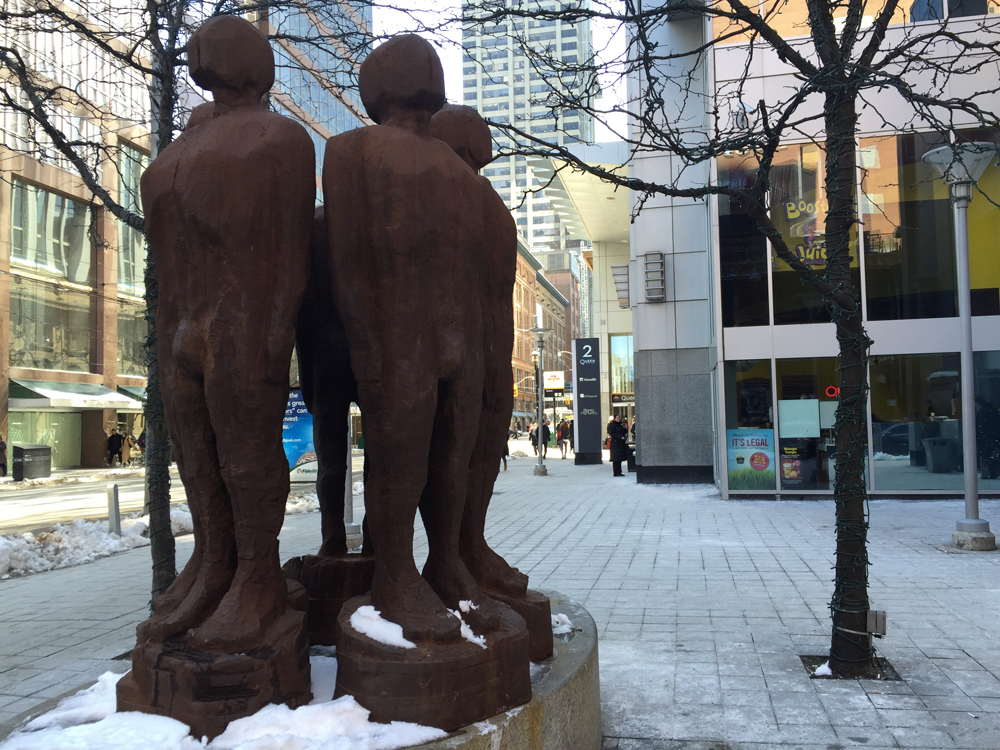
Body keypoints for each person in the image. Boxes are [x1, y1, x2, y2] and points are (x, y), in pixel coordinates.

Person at [976, 396, 1000, 479]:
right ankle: (994, 471)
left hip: (985, 437)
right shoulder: (993, 410)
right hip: (994, 436)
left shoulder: (982, 412)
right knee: (992, 455)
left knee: (986, 456)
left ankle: (988, 473)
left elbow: (981, 426)